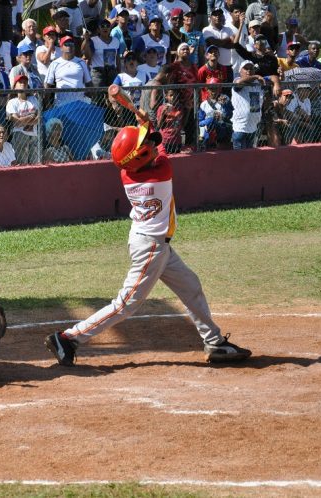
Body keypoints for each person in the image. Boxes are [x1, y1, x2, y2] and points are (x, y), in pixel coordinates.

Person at [44, 119, 251, 367]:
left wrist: (145, 126)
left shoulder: (127, 172)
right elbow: (161, 151)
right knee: (126, 304)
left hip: (153, 243)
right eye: (146, 146)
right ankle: (67, 338)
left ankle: (214, 343)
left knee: (190, 286)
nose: (152, 146)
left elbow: (149, 149)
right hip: (151, 248)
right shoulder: (161, 173)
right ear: (140, 158)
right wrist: (147, 123)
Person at [45, 36, 92, 108]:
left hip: (80, 103)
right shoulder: (55, 63)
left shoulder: (81, 62)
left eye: (71, 44)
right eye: (66, 44)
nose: (69, 46)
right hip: (61, 104)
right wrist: (47, 104)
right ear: (61, 47)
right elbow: (47, 85)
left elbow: (89, 83)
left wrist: (89, 100)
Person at [230, 59, 263, 149]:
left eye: (251, 68)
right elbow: (239, 83)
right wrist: (256, 76)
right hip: (240, 127)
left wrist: (275, 82)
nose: (248, 71)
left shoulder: (258, 83)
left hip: (254, 127)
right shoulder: (237, 80)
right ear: (240, 71)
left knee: (250, 157)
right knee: (239, 157)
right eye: (246, 69)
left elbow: (272, 77)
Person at [6, 74, 39, 164]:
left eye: (25, 82)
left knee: (35, 164)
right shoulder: (12, 102)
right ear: (15, 86)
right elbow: (17, 122)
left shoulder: (33, 99)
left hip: (34, 135)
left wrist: (23, 119)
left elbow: (39, 119)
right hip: (19, 134)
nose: (23, 84)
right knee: (22, 163)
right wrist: (30, 116)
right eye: (20, 82)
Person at [82, 18, 121, 90]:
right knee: (98, 96)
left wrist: (119, 71)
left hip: (112, 71)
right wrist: (86, 40)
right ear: (98, 30)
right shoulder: (93, 40)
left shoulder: (116, 40)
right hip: (98, 72)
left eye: (107, 26)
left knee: (114, 94)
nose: (105, 28)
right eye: (102, 26)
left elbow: (117, 57)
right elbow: (87, 55)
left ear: (110, 28)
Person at [198, 77, 232, 148]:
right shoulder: (203, 104)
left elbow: (230, 116)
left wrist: (226, 105)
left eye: (216, 88)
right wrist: (210, 120)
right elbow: (200, 121)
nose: (214, 91)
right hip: (208, 134)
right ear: (207, 89)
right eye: (211, 89)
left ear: (219, 89)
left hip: (222, 133)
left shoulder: (225, 100)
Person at [156, 88, 183, 153]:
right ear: (166, 96)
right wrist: (163, 114)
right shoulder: (161, 108)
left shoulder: (179, 108)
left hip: (177, 140)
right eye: (171, 95)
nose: (173, 97)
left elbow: (182, 123)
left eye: (174, 95)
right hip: (165, 140)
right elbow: (159, 126)